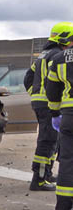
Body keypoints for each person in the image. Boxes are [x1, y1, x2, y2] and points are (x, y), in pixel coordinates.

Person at [24, 22, 73, 191]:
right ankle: (38, 180)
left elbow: (28, 77)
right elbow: (56, 83)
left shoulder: (43, 55)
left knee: (51, 139)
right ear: (66, 39)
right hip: (50, 104)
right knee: (48, 141)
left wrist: (35, 94)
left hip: (41, 103)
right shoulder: (58, 55)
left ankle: (47, 174)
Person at [46, 30, 73, 210]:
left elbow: (52, 89)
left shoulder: (59, 58)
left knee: (67, 162)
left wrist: (55, 114)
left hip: (68, 117)